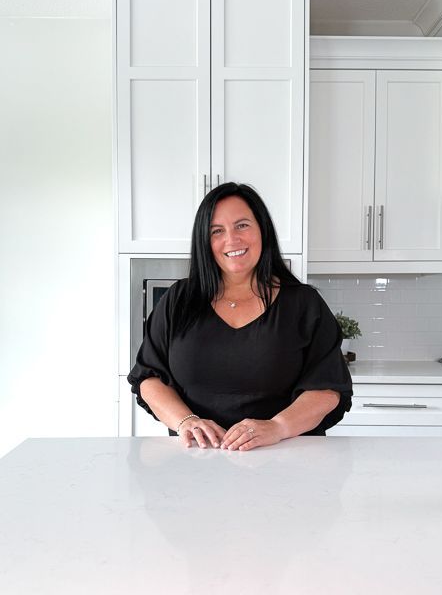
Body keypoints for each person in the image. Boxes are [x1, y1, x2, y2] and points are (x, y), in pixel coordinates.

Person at [128, 182, 352, 451]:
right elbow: (149, 378)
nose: (231, 239)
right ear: (204, 241)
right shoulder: (178, 301)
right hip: (198, 462)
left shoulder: (304, 304)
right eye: (216, 231)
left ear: (263, 230)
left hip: (287, 459)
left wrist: (277, 427)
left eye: (242, 225)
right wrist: (186, 421)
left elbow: (327, 389)